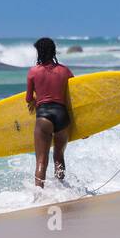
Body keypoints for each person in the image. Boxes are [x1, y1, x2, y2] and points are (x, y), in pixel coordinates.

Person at [25, 37, 75, 187]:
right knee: (59, 156)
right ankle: (63, 190)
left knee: (41, 160)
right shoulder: (65, 71)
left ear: (39, 52)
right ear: (54, 51)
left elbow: (28, 99)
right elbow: (75, 96)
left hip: (44, 117)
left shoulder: (33, 72)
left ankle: (39, 196)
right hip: (62, 115)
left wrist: (35, 99)